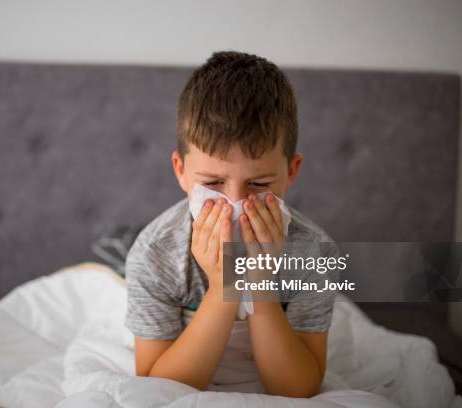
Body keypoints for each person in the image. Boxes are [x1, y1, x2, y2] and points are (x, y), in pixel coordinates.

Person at [124, 50, 339, 398]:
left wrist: (259, 283)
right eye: (212, 184)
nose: (236, 203)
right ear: (181, 171)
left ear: (291, 173)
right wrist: (224, 286)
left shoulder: (313, 251)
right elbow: (156, 386)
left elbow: (298, 388)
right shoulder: (155, 253)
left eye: (258, 184)